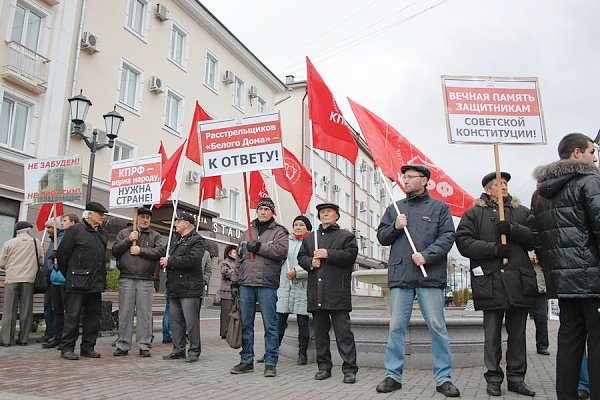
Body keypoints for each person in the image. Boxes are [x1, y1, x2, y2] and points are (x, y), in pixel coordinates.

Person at [375, 164, 460, 397]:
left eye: (411, 177)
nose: (406, 180)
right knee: (396, 327)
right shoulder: (395, 208)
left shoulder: (439, 208)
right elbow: (381, 237)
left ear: (424, 180)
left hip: (429, 276)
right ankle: (393, 375)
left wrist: (427, 255)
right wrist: (394, 226)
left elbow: (447, 237)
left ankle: (443, 378)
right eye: (404, 177)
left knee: (436, 326)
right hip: (401, 276)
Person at [455, 171, 537, 397]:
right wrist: (494, 250)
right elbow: (464, 243)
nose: (503, 187)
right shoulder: (474, 214)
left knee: (518, 336)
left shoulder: (521, 212)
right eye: (497, 184)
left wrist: (513, 230)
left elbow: (535, 239)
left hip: (518, 282)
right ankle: (493, 378)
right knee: (491, 336)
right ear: (488, 189)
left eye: (505, 183)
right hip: (490, 282)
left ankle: (517, 378)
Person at [532, 132, 600, 400]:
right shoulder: (590, 181)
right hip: (593, 278)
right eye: (592, 152)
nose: (594, 157)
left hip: (563, 281)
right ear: (576, 153)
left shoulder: (542, 192)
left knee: (570, 340)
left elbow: (538, 237)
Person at [297, 203, 359, 384]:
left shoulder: (346, 236)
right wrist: (310, 262)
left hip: (338, 292)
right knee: (320, 334)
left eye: (328, 212)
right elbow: (301, 257)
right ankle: (324, 367)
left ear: (337, 216)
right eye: (322, 212)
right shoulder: (310, 239)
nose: (325, 215)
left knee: (344, 333)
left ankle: (349, 369)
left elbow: (350, 256)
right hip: (317, 292)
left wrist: (327, 253)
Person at [229, 197, 288, 378]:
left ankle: (270, 362)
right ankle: (246, 360)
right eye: (260, 209)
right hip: (246, 283)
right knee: (246, 324)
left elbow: (281, 252)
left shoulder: (279, 232)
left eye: (266, 209)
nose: (262, 212)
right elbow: (239, 258)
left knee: (270, 325)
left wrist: (259, 247)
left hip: (266, 284)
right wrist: (234, 281)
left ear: (272, 212)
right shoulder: (248, 231)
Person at [57, 202, 109, 360]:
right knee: (73, 316)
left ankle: (88, 347)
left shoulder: (102, 233)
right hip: (77, 282)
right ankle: (67, 348)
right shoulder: (75, 230)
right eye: (100, 214)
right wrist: (71, 275)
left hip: (96, 282)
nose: (102, 217)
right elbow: (62, 255)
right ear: (90, 214)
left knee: (93, 317)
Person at [112, 207, 165, 357]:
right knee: (125, 313)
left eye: (148, 218)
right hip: (127, 278)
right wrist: (128, 240)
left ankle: (144, 345)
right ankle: (122, 344)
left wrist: (140, 250)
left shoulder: (155, 235)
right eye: (142, 217)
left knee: (144, 314)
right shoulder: (124, 233)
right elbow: (115, 250)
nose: (145, 220)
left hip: (146, 280)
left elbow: (160, 252)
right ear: (136, 218)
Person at [159, 213, 205, 363]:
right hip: (174, 286)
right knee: (175, 321)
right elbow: (163, 253)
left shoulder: (197, 240)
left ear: (187, 223)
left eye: (178, 221)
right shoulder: (175, 239)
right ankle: (178, 349)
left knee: (191, 321)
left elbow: (192, 260)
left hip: (190, 287)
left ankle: (194, 350)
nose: (175, 224)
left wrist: (170, 260)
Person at [0, 221, 43, 346]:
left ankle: (6, 340)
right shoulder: (36, 242)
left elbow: (1, 262)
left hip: (11, 278)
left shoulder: (9, 243)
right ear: (28, 230)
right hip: (29, 280)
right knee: (26, 309)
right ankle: (23, 339)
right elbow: (41, 260)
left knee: (9, 310)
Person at [277, 215, 312, 365]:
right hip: (285, 286)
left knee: (302, 322)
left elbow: (313, 263)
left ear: (307, 228)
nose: (298, 227)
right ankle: (272, 352)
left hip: (302, 287)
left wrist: (297, 272)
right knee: (278, 321)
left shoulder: (311, 242)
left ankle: (302, 352)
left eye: (301, 225)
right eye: (296, 224)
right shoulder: (286, 241)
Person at [44, 214, 79, 350]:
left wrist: (61, 261)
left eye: (64, 221)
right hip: (55, 279)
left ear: (73, 222)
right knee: (56, 309)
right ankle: (57, 336)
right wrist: (53, 264)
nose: (62, 223)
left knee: (68, 311)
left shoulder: (74, 236)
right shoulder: (57, 238)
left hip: (66, 279)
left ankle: (66, 338)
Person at [39, 218, 62, 344]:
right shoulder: (53, 240)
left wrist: (52, 269)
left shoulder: (59, 239)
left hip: (54, 278)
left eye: (49, 227)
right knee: (48, 307)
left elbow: (53, 258)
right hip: (49, 278)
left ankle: (55, 334)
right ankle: (49, 332)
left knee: (54, 307)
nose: (47, 230)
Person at [219, 244, 237, 339]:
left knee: (233, 312)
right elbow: (225, 273)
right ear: (229, 253)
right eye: (234, 252)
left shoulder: (238, 262)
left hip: (236, 291)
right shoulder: (225, 262)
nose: (236, 254)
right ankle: (224, 332)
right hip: (226, 291)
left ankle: (232, 331)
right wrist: (236, 271)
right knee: (226, 313)